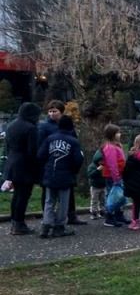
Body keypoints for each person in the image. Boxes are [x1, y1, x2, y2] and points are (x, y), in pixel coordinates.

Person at [38, 99, 87, 225]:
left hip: (66, 165)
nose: (51, 114)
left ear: (61, 112)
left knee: (67, 194)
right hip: (51, 164)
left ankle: (70, 215)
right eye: (50, 111)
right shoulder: (44, 127)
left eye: (54, 111)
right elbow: (41, 147)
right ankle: (49, 218)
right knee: (48, 194)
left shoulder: (67, 126)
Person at [4, 102, 41, 235]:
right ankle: (19, 223)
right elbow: (32, 150)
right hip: (25, 165)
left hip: (12, 162)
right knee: (23, 195)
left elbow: (7, 146)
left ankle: (15, 222)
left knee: (17, 195)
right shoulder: (31, 128)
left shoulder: (11, 125)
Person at [101, 123, 128, 227]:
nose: (119, 134)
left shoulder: (116, 145)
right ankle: (109, 217)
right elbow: (112, 164)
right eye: (118, 132)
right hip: (112, 176)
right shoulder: (110, 147)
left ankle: (118, 214)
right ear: (112, 134)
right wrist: (116, 177)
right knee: (113, 196)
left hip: (119, 175)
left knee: (119, 196)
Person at [86, 148, 107, 220]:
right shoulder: (92, 166)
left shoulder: (104, 166)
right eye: (100, 160)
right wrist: (97, 170)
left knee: (103, 200)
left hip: (103, 186)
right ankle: (94, 212)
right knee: (94, 200)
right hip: (95, 187)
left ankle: (102, 211)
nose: (102, 162)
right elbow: (90, 175)